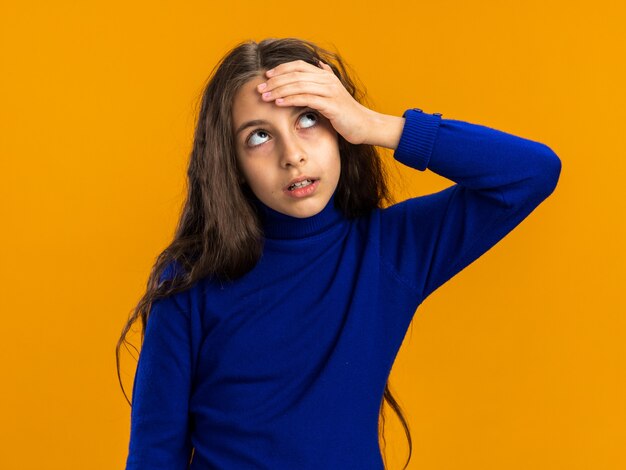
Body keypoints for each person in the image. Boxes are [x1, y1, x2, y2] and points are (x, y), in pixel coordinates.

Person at [117, 37, 561, 470]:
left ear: (340, 127)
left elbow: (531, 172)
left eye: (309, 119)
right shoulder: (190, 280)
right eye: (258, 137)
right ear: (230, 164)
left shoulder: (390, 249)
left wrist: (375, 125)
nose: (293, 156)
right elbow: (155, 453)